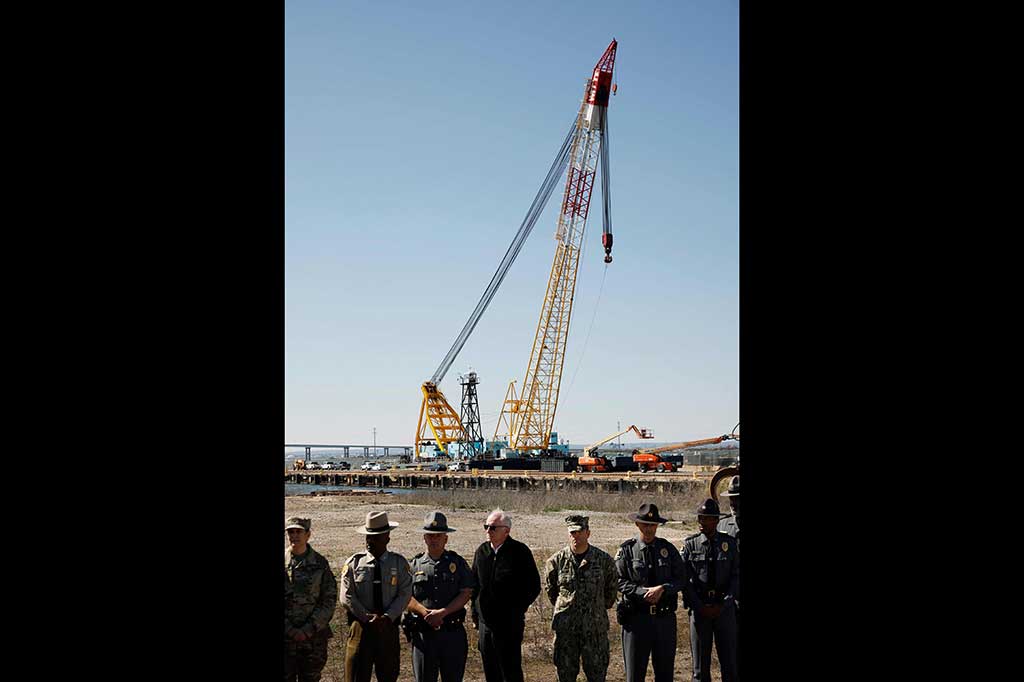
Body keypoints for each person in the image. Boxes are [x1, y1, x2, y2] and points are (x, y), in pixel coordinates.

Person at [614, 502, 685, 682]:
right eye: (645, 524)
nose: (649, 528)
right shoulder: (627, 550)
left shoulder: (667, 549)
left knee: (665, 674)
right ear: (637, 524)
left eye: (653, 525)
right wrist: (640, 592)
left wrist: (663, 589)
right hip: (637, 621)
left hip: (664, 621)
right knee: (635, 675)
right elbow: (618, 580)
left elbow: (682, 578)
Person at [339, 511, 413, 682]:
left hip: (388, 630)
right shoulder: (354, 563)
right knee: (356, 676)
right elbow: (346, 596)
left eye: (376, 537)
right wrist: (365, 616)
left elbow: (405, 593)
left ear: (387, 537)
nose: (370, 541)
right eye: (368, 537)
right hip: (360, 628)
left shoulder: (398, 563)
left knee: (388, 675)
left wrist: (388, 617)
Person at [543, 515, 618, 682]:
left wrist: (596, 608)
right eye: (572, 533)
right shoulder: (556, 562)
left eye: (579, 532)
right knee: (565, 676)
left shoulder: (603, 560)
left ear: (588, 533)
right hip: (566, 632)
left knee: (597, 675)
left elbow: (611, 592)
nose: (575, 536)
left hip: (595, 631)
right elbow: (552, 592)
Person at [404, 511, 477, 682]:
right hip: (424, 635)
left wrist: (442, 613)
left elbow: (466, 592)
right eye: (430, 535)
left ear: (446, 538)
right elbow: (405, 595)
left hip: (452, 634)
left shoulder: (457, 563)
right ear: (424, 537)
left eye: (438, 536)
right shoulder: (414, 565)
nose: (434, 539)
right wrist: (424, 612)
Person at [471, 508, 541, 682]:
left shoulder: (519, 552)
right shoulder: (482, 552)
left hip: (509, 624)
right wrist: (475, 613)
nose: (488, 531)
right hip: (485, 625)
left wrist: (517, 609)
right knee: (490, 671)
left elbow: (533, 586)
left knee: (510, 671)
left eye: (493, 527)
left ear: (506, 531)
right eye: (486, 526)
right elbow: (474, 586)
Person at [681, 499, 740, 682]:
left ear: (715, 520)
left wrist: (725, 603)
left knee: (729, 665)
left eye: (705, 518)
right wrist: (699, 606)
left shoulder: (729, 544)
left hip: (725, 612)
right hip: (700, 612)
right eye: (699, 517)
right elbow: (685, 581)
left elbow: (736, 577)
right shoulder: (691, 545)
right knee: (699, 669)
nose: (701, 522)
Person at [285, 517, 338, 682]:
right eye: (290, 532)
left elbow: (329, 599)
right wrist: (289, 629)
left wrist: (309, 628)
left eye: (298, 531)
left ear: (308, 535)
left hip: (313, 640)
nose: (294, 535)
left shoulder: (320, 564)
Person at [716, 476, 741, 677]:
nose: (734, 503)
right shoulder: (723, 526)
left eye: (738, 498)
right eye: (731, 498)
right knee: (730, 655)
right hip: (730, 604)